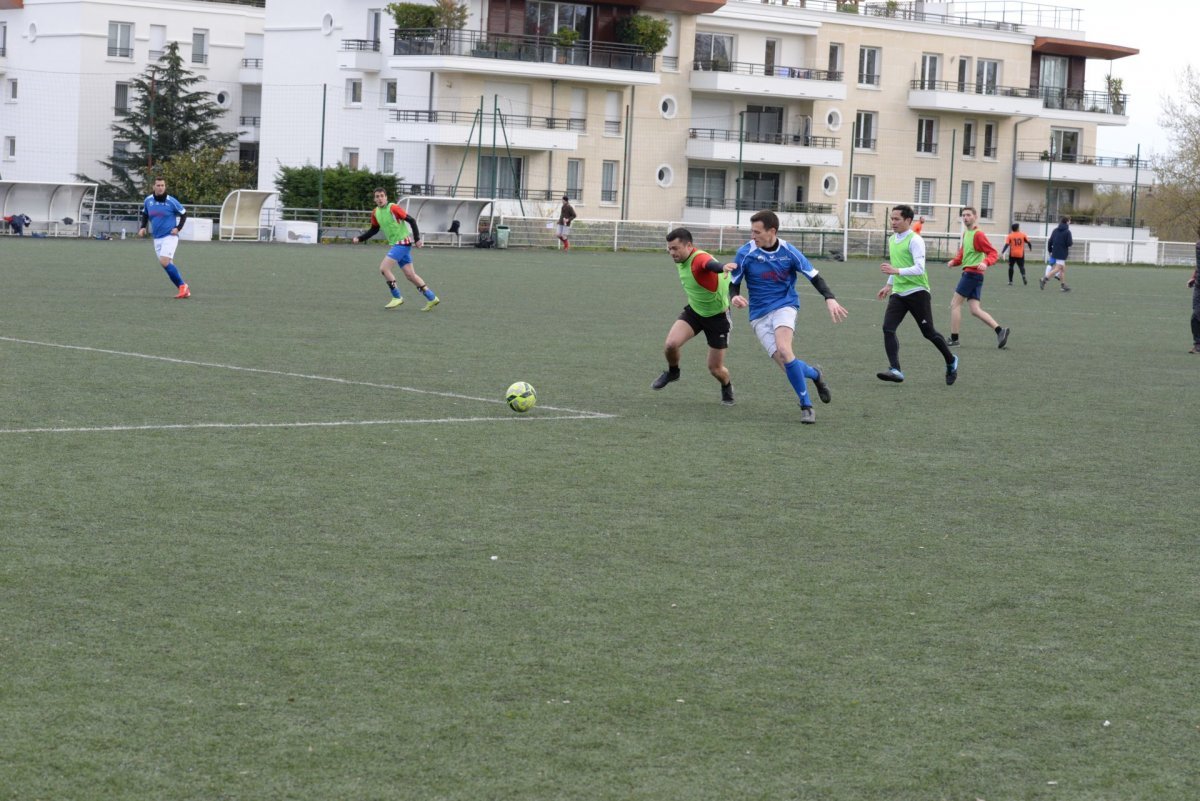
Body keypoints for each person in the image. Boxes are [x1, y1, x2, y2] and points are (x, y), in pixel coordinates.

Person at [726, 210, 847, 424]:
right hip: (758, 315)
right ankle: (815, 374)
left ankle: (806, 406)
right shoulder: (745, 253)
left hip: (785, 305)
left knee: (784, 349)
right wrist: (734, 297)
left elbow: (814, 276)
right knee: (786, 364)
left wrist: (830, 298)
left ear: (772, 231)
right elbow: (733, 283)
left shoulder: (789, 252)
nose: (753, 236)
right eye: (751, 231)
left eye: (757, 232)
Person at [652, 227, 736, 406]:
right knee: (670, 344)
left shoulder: (698, 259)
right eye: (669, 249)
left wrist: (721, 267)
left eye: (675, 248)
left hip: (718, 319)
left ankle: (727, 386)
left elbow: (709, 265)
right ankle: (673, 372)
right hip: (695, 312)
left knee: (715, 369)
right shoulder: (683, 259)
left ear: (689, 245)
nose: (671, 253)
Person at [876, 204, 958, 385]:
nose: (893, 222)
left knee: (928, 333)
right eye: (892, 218)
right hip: (898, 293)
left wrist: (896, 271)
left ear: (908, 220)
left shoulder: (915, 240)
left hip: (918, 292)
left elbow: (919, 268)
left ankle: (951, 361)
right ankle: (895, 369)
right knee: (887, 328)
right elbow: (896, 263)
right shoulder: (892, 239)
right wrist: (888, 285)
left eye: (897, 219)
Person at [353, 188, 439, 311]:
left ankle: (397, 297)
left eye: (382, 196)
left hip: (402, 243)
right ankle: (432, 298)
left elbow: (411, 220)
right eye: (377, 196)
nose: (380, 198)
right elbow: (374, 229)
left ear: (386, 197)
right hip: (398, 244)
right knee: (410, 275)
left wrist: (417, 238)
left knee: (384, 268)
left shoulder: (393, 208)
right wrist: (360, 238)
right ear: (374, 199)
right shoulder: (375, 212)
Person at [947, 206, 1010, 349]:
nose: (965, 218)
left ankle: (954, 339)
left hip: (972, 274)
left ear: (975, 217)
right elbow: (963, 254)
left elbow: (993, 253)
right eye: (963, 215)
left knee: (955, 304)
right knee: (975, 309)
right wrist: (954, 262)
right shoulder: (966, 234)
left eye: (968, 215)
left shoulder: (978, 234)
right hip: (974, 275)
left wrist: (985, 262)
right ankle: (1000, 331)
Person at [138, 177, 191, 299]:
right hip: (157, 238)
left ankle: (183, 286)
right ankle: (184, 289)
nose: (160, 187)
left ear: (165, 187)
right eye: (158, 185)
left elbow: (184, 214)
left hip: (170, 236)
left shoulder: (171, 201)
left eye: (162, 185)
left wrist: (178, 228)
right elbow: (145, 214)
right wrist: (142, 227)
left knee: (164, 261)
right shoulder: (148, 200)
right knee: (166, 264)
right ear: (154, 187)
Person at [1042, 216, 1073, 292]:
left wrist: (1050, 250)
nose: (1070, 222)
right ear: (1067, 222)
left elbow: (1050, 241)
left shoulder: (1055, 230)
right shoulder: (1067, 232)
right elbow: (1069, 243)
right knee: (1058, 269)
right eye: (1069, 220)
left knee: (1062, 269)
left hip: (1055, 251)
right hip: (1062, 253)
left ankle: (1063, 286)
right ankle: (1044, 279)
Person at [1189, 226, 1200, 354]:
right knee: (1196, 316)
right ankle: (1198, 344)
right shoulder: (1198, 246)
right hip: (1198, 286)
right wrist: (1193, 277)